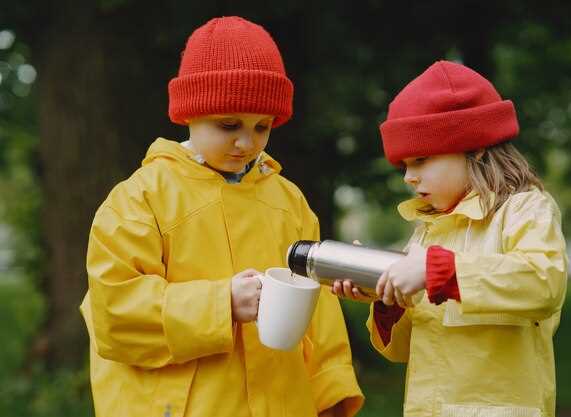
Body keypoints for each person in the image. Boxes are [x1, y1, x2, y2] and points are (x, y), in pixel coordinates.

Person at [80, 16, 363, 417]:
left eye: (262, 127)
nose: (247, 142)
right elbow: (115, 315)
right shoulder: (139, 199)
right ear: (189, 114)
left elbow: (320, 315)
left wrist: (330, 393)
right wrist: (221, 303)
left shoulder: (289, 201)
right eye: (228, 124)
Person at [333, 60, 567, 417]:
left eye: (421, 160)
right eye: (404, 166)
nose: (408, 178)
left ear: (475, 149)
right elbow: (402, 351)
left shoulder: (525, 209)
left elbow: (543, 283)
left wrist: (441, 271)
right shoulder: (427, 232)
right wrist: (388, 302)